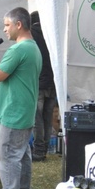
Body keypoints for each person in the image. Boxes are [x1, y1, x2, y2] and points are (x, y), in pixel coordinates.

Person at [0, 7, 42, 189]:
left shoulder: (18, 49)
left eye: (7, 25)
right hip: (25, 111)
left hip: (14, 112)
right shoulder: (33, 47)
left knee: (8, 157)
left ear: (19, 24)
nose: (4, 30)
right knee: (22, 155)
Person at [30, 11, 57, 162]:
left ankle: (38, 151)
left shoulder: (31, 34)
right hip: (52, 82)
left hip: (39, 82)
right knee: (47, 118)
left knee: (37, 119)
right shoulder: (51, 33)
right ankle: (44, 150)